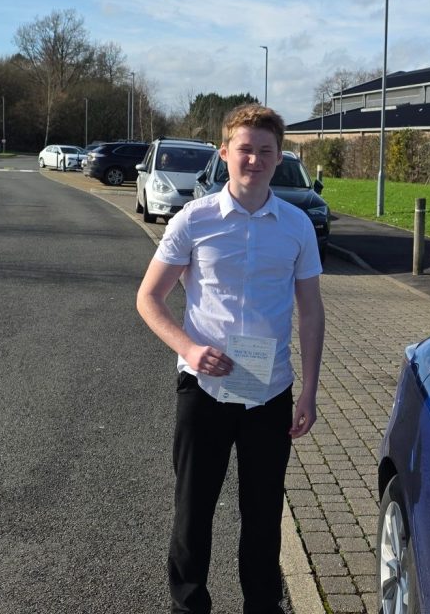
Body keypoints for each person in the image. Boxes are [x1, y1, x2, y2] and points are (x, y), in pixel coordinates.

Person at [136, 104, 325, 614]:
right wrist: (189, 348)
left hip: (269, 392)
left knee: (263, 516)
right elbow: (148, 298)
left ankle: (262, 606)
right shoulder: (193, 220)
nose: (255, 159)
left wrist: (308, 390)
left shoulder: (296, 226)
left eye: (266, 151)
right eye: (245, 149)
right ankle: (188, 605)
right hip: (204, 390)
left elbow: (311, 312)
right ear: (225, 153)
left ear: (279, 156)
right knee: (193, 513)